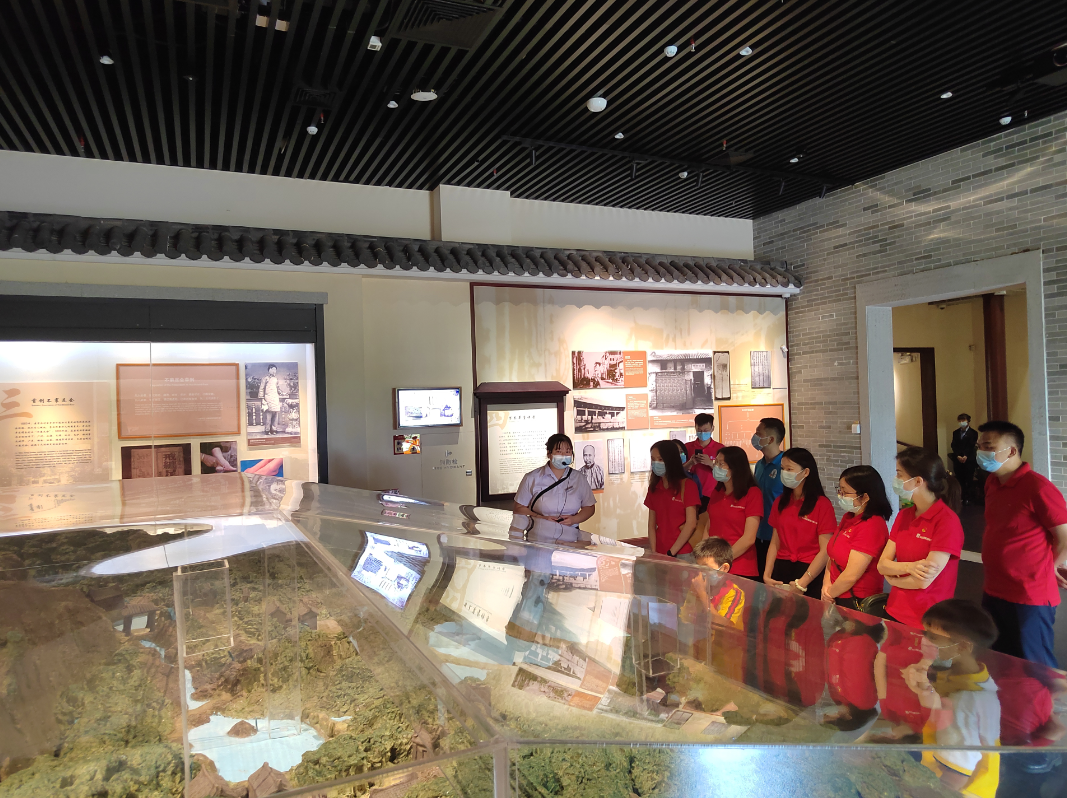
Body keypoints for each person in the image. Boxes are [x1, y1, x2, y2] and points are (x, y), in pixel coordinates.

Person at [977, 420, 1067, 668]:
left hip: (1029, 593)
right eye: (979, 446)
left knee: (1034, 665)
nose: (981, 452)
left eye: (988, 446)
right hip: (994, 588)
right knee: (999, 659)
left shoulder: (1038, 487)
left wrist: (1050, 568)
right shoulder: (992, 482)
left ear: (1012, 451)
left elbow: (1064, 537)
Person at [906, 599, 1001, 798]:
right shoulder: (974, 677)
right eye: (925, 633)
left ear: (962, 647)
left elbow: (955, 776)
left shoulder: (964, 701)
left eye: (933, 637)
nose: (924, 640)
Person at [878, 447, 964, 629]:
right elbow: (882, 565)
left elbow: (923, 581)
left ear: (918, 481)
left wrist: (893, 579)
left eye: (899, 474)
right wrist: (910, 567)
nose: (895, 480)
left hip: (928, 618)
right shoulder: (904, 515)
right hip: (894, 609)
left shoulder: (946, 521)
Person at [763, 447, 836, 598]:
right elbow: (775, 542)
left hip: (810, 570)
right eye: (783, 468)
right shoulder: (780, 502)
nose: (784, 473)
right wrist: (767, 573)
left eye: (789, 469)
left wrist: (803, 582)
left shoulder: (822, 504)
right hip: (782, 566)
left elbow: (825, 550)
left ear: (806, 472)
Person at [823, 465, 892, 609]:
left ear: (865, 496)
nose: (841, 495)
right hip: (835, 593)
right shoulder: (849, 517)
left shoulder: (872, 525)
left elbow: (851, 575)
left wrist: (830, 594)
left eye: (845, 492)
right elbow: (832, 556)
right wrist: (826, 585)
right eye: (840, 490)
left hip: (857, 600)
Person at [513, 433, 596, 528]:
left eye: (567, 451)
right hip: (539, 533)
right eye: (559, 451)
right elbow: (518, 508)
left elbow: (589, 507)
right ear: (549, 453)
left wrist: (574, 520)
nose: (564, 455)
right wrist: (540, 517)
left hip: (571, 534)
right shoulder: (531, 478)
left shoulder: (579, 478)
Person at [705, 446, 763, 579]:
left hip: (740, 566)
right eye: (716, 463)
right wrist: (705, 557)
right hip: (713, 565)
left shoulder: (752, 493)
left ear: (735, 467)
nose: (716, 467)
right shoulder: (717, 492)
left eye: (721, 464)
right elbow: (709, 527)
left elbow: (749, 538)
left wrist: (722, 560)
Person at [644, 440, 701, 560]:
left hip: (683, 552)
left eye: (660, 459)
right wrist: (654, 552)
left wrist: (671, 552)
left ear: (671, 460)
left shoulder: (687, 485)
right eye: (653, 459)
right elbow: (651, 524)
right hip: (660, 550)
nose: (656, 463)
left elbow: (691, 523)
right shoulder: (654, 487)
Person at [752, 417, 786, 580]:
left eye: (759, 433)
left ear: (771, 439)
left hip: (778, 537)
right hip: (758, 533)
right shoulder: (759, 465)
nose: (755, 437)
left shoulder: (785, 466)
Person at [684, 412, 724, 509]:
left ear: (712, 428)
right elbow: (679, 471)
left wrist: (710, 463)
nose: (702, 433)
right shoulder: (687, 447)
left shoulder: (720, 448)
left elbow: (725, 473)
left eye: (706, 430)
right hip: (690, 493)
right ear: (695, 428)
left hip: (712, 494)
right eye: (699, 430)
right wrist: (690, 463)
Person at [951, 413, 979, 504]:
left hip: (969, 459)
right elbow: (954, 445)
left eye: (963, 420)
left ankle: (968, 498)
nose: (961, 422)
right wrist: (958, 455)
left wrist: (965, 455)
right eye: (960, 421)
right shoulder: (955, 433)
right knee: (960, 479)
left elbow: (971, 445)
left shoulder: (973, 433)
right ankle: (961, 497)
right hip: (958, 459)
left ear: (968, 421)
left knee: (969, 479)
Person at [259, 364, 282, 435]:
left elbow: (278, 388)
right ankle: (267, 430)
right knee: (268, 416)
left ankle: (274, 429)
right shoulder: (265, 379)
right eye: (273, 369)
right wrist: (262, 399)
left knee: (275, 415)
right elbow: (261, 389)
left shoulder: (276, 379)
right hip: (268, 399)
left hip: (275, 398)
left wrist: (281, 393)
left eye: (275, 370)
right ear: (269, 370)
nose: (274, 371)